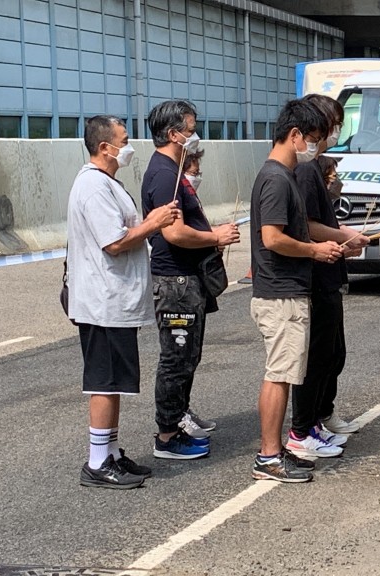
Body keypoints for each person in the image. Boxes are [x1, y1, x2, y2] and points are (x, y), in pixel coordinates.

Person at [67, 115, 180, 488]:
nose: (129, 147)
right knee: (104, 380)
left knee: (115, 380)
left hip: (113, 301)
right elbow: (113, 242)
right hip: (102, 302)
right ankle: (97, 460)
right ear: (105, 147)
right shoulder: (93, 187)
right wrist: (155, 222)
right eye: (124, 140)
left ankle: (110, 451)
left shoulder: (105, 183)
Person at [249, 98, 343, 482]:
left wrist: (336, 241)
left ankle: (276, 451)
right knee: (279, 373)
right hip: (279, 291)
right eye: (313, 138)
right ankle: (268, 456)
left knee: (286, 373)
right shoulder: (275, 177)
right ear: (294, 135)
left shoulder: (283, 175)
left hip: (287, 289)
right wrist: (314, 251)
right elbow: (272, 238)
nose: (315, 147)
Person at [141, 100, 241, 460]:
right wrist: (215, 236)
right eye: (191, 128)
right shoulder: (165, 173)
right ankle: (167, 435)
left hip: (188, 279)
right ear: (173, 134)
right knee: (176, 357)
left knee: (189, 354)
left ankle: (179, 414)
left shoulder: (174, 169)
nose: (194, 135)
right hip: (175, 281)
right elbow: (175, 234)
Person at [285, 94, 370, 459]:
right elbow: (306, 226)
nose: (336, 131)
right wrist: (342, 237)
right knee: (317, 357)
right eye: (331, 125)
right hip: (315, 275)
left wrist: (344, 236)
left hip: (330, 270)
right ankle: (305, 426)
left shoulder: (317, 165)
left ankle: (319, 418)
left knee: (333, 354)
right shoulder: (304, 169)